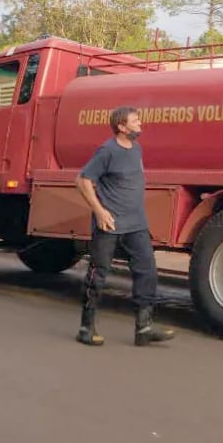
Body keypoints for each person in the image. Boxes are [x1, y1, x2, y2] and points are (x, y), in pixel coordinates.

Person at [75, 106, 175, 346]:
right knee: (98, 275)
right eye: (135, 120)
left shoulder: (136, 148)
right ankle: (86, 327)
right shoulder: (107, 151)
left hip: (136, 224)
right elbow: (83, 180)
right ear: (121, 127)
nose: (140, 123)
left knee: (147, 271)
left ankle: (144, 328)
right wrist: (100, 211)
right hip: (110, 224)